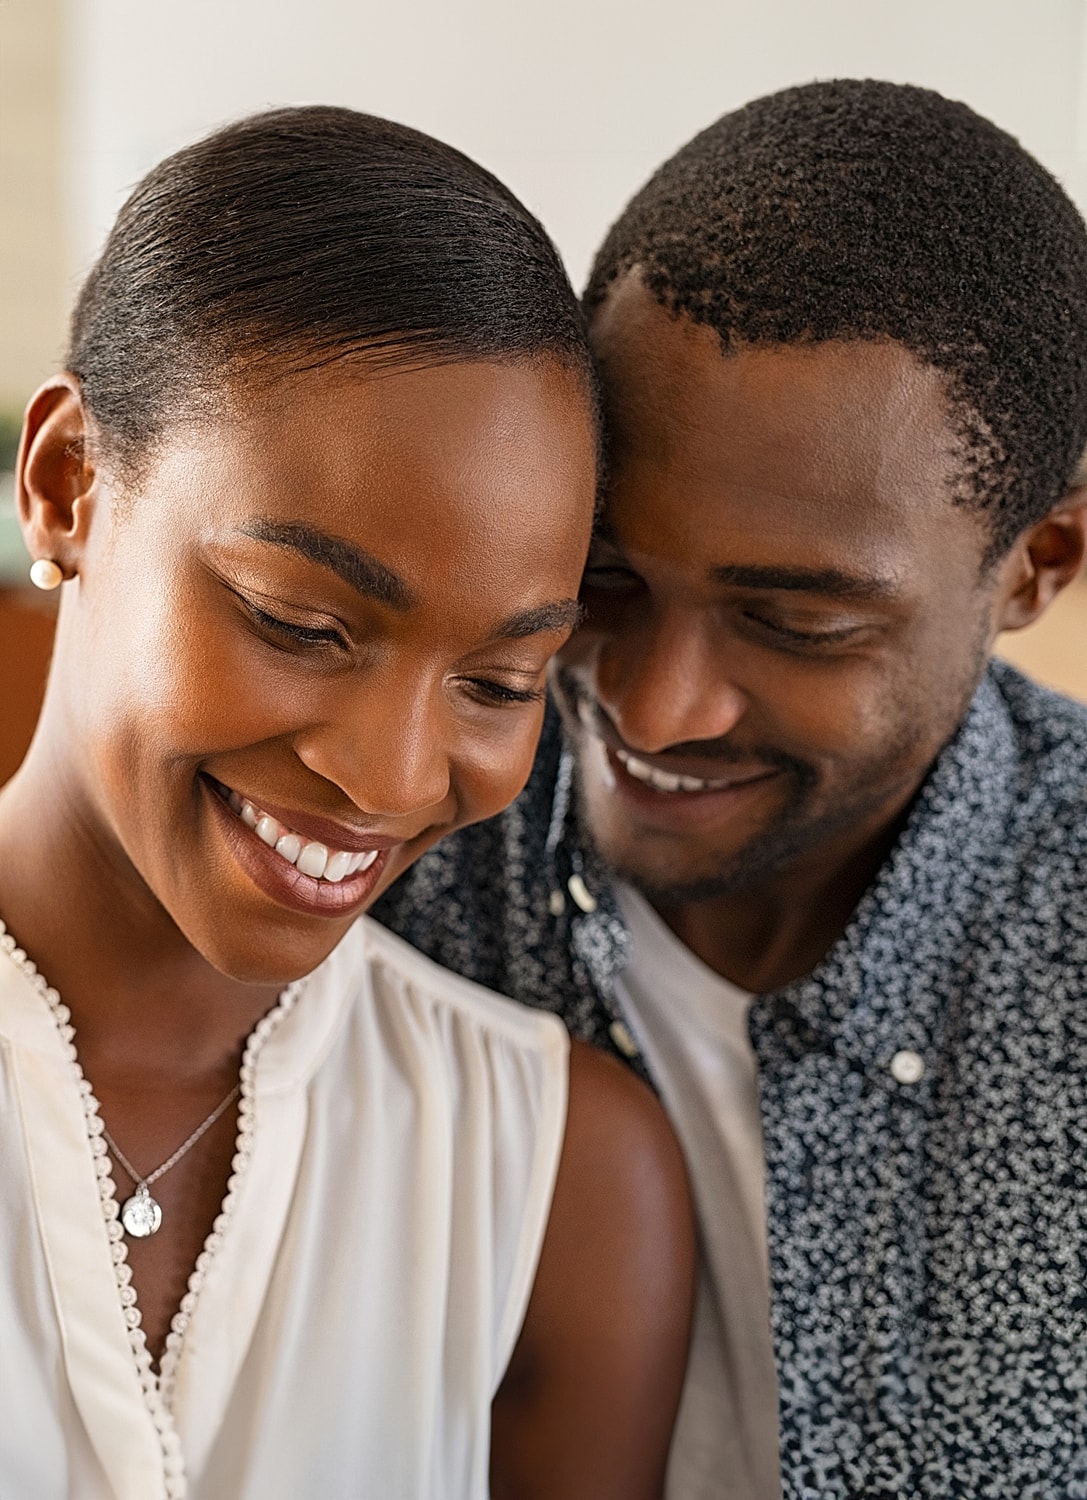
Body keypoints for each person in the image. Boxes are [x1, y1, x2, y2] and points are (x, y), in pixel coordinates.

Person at [375, 79, 1087, 1499]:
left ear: (1038, 567)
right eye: (608, 579)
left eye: (797, 624)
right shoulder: (386, 857)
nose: (649, 705)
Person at [0, 106, 695, 1500]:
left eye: (501, 681)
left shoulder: (560, 1180)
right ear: (70, 484)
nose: (389, 778)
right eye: (299, 622)